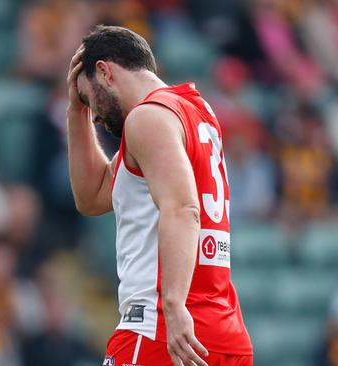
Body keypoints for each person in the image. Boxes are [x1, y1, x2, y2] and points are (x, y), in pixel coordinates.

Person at [65, 25, 253, 366]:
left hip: (163, 331)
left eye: (88, 99)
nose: (95, 114)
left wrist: (173, 306)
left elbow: (183, 208)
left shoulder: (146, 119)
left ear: (105, 72)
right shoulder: (195, 112)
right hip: (223, 333)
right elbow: (91, 197)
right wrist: (75, 112)